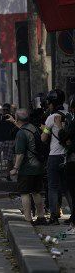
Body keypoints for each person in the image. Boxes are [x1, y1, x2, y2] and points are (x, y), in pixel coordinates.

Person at [9, 109, 47, 225]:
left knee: (25, 193)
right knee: (37, 192)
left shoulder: (20, 133)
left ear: (17, 118)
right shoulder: (33, 128)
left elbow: (20, 154)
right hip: (38, 166)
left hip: (27, 168)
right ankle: (41, 217)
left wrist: (15, 168)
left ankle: (28, 218)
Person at [41, 89, 67, 225]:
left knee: (53, 187)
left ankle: (54, 216)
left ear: (52, 103)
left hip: (55, 156)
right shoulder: (69, 115)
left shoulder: (51, 117)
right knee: (68, 188)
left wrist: (44, 129)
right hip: (68, 156)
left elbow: (44, 138)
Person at [0, 104, 18, 181]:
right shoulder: (0, 117)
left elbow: (17, 126)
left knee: (9, 159)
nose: (5, 111)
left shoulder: (13, 117)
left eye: (6, 110)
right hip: (0, 139)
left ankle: (8, 175)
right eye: (3, 110)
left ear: (9, 110)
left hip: (10, 140)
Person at [59, 96, 75, 233]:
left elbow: (64, 137)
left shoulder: (73, 122)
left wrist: (60, 128)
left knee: (71, 189)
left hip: (72, 160)